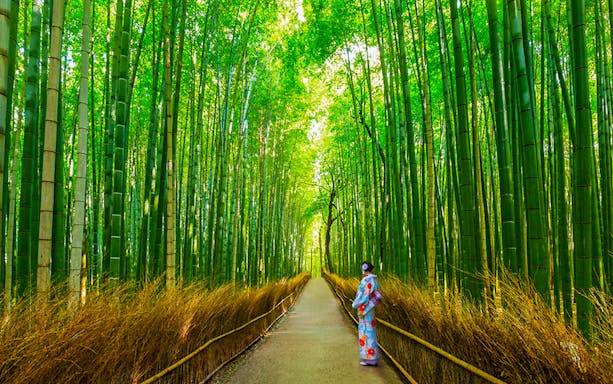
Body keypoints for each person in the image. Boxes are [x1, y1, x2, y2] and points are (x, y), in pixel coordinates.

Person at [351, 261, 380, 366]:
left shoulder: (366, 280)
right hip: (371, 308)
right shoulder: (374, 280)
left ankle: (369, 358)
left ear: (364, 268)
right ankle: (372, 357)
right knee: (371, 330)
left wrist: (355, 304)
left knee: (365, 332)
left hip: (365, 308)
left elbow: (362, 295)